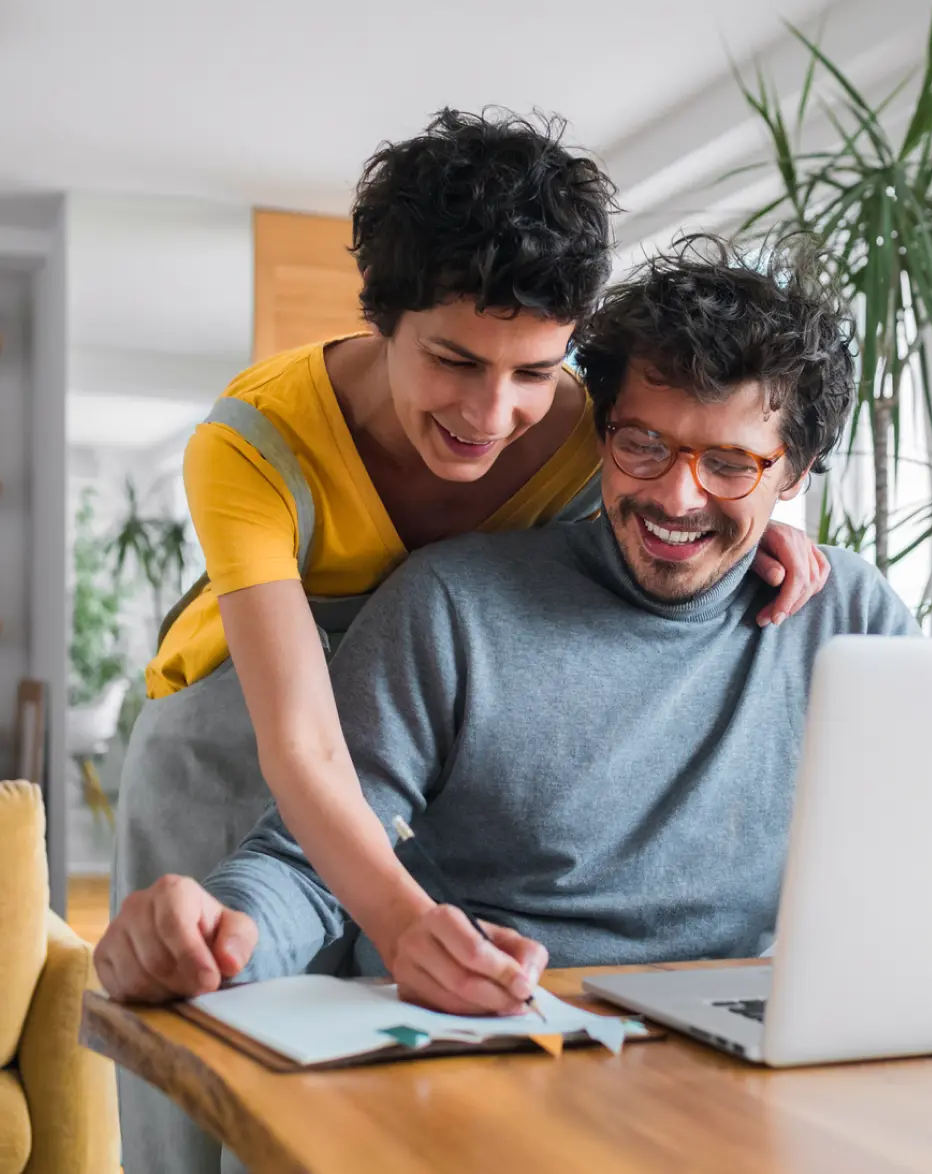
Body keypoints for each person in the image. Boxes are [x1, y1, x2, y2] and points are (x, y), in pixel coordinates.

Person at [110, 113, 826, 1172]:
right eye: (453, 358)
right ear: (381, 318)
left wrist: (768, 522)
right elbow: (302, 750)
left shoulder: (587, 428)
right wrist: (404, 923)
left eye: (534, 369)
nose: (494, 411)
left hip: (388, 729)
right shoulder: (252, 442)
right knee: (188, 1058)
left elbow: (689, 469)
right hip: (235, 727)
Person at [99, 235, 920, 1025]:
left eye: (731, 464)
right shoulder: (451, 604)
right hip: (489, 1031)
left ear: (796, 472)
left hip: (723, 1049)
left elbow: (930, 845)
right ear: (600, 434)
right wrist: (224, 938)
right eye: (643, 445)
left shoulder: (847, 619)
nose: (677, 497)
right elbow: (310, 863)